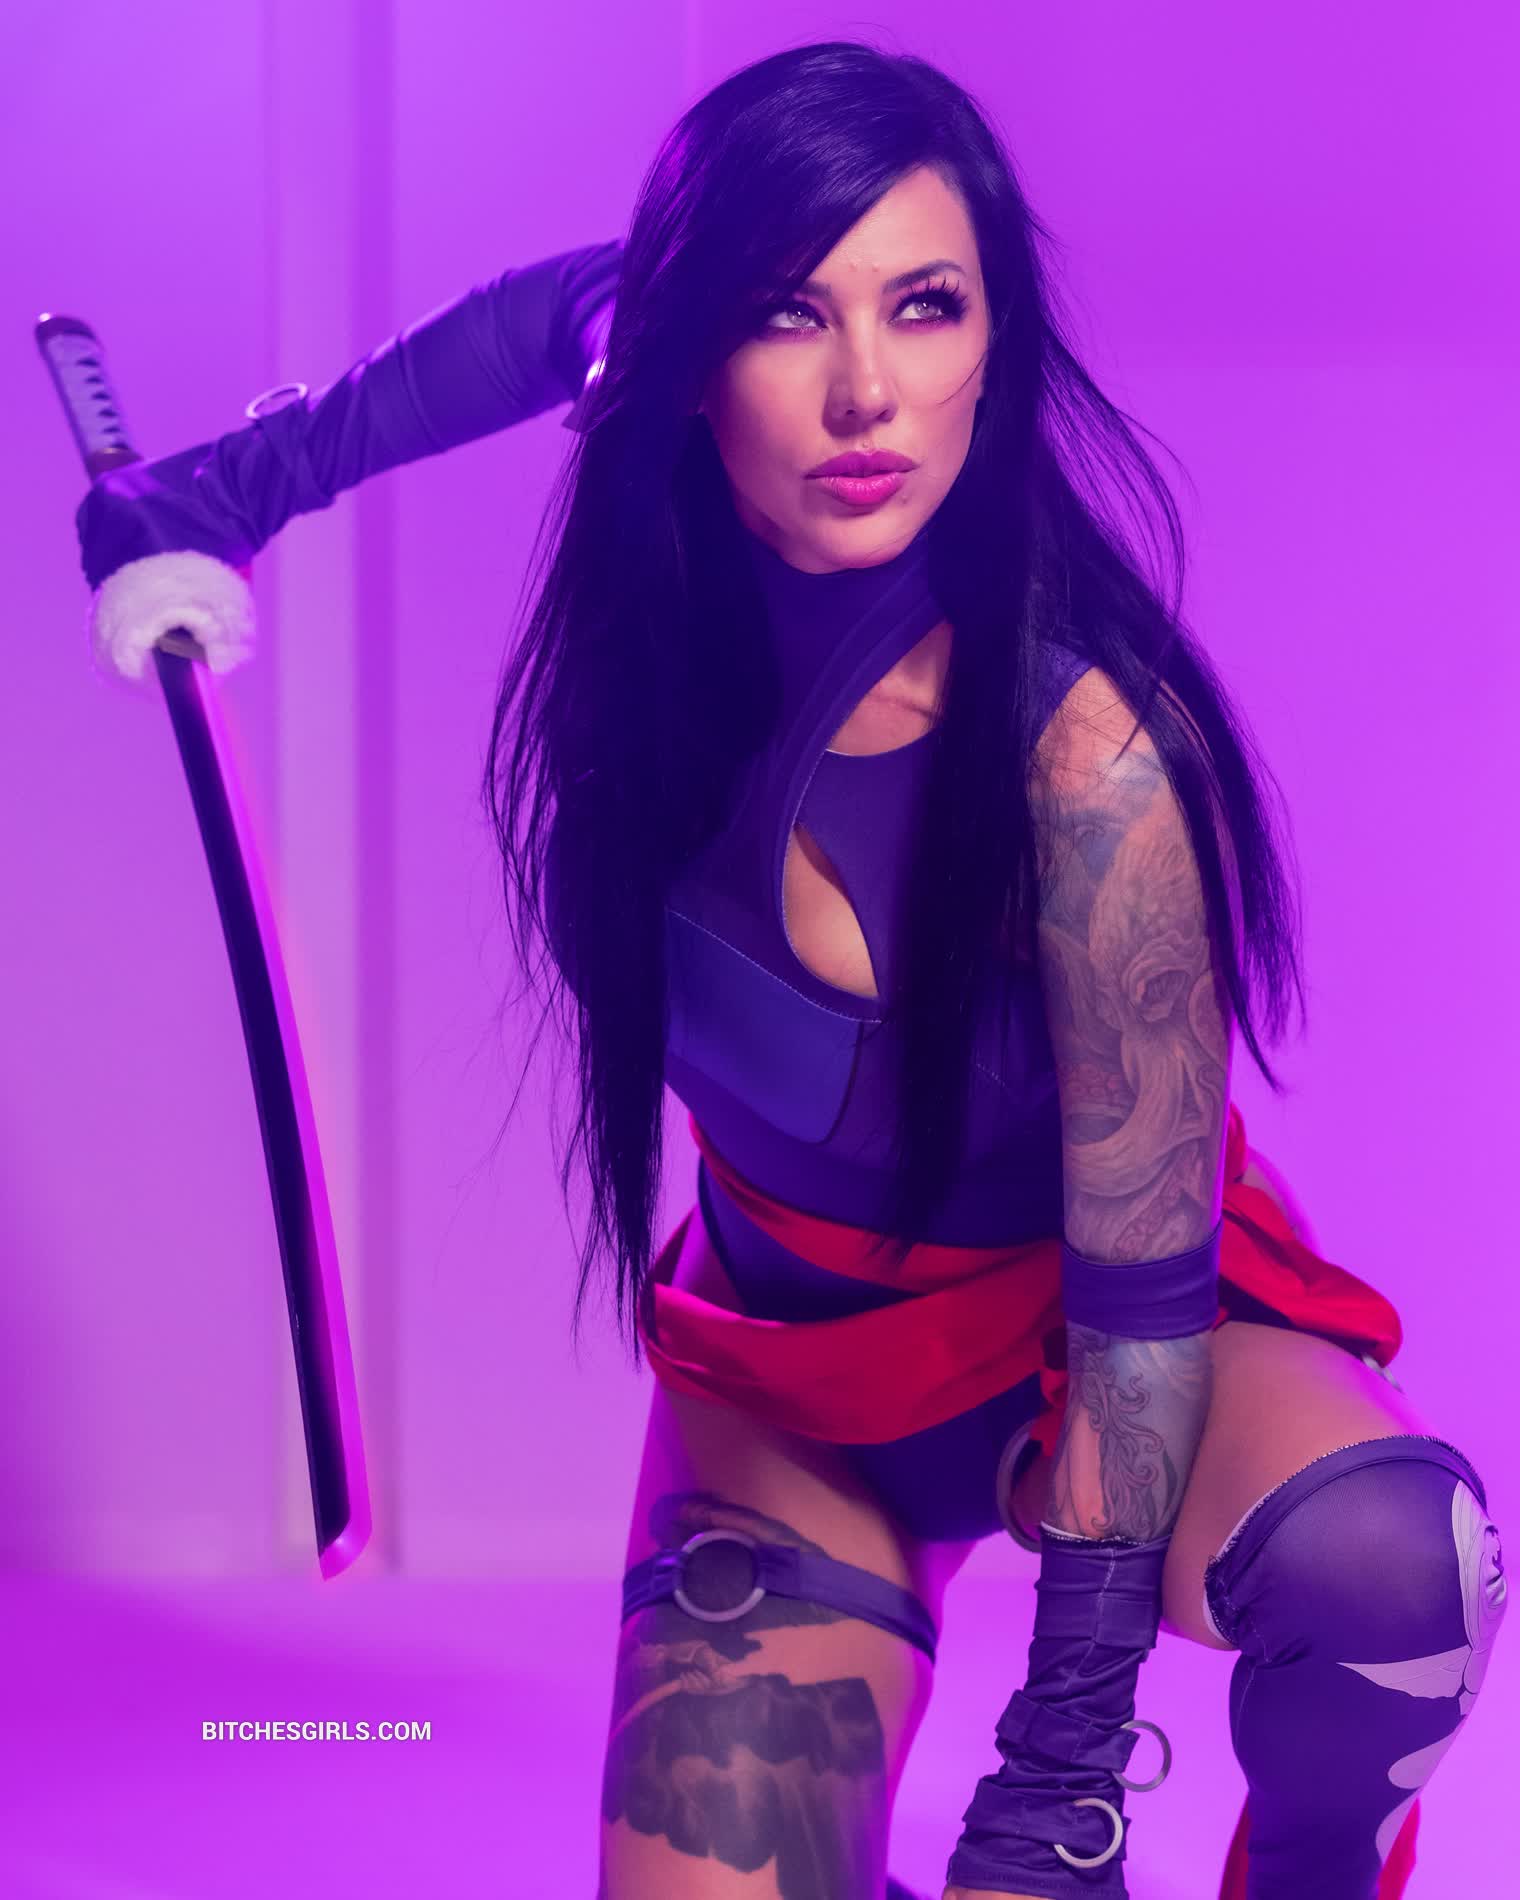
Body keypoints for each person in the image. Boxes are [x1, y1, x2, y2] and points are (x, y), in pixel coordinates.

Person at [77, 38, 1506, 1900]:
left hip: (1094, 1357)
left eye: (926, 307)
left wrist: (1056, 1777)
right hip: (785, 1387)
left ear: (994, 338)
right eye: (785, 313)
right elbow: (541, 323)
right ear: (693, 356)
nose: (863, 392)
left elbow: (1138, 1324)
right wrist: (218, 495)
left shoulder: (1088, 768)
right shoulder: (660, 462)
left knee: (1389, 1566)